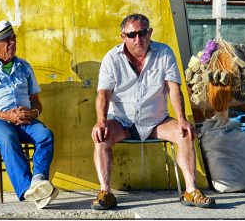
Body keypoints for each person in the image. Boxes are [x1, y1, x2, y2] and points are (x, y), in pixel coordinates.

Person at [90, 13, 215, 210]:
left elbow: (174, 88)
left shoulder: (164, 53)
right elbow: (103, 95)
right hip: (122, 122)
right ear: (123, 36)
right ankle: (105, 192)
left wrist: (182, 119)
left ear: (150, 33)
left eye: (142, 33)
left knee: (185, 132)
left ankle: (191, 190)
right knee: (101, 136)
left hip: (157, 121)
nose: (137, 39)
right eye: (131, 35)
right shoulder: (111, 58)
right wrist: (101, 121)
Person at [0, 20, 58, 209]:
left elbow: (36, 102)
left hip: (24, 120)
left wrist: (32, 113)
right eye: (6, 41)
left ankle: (38, 182)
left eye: (13, 39)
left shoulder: (24, 67)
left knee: (46, 135)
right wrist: (6, 116)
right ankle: (27, 190)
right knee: (7, 137)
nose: (12, 44)